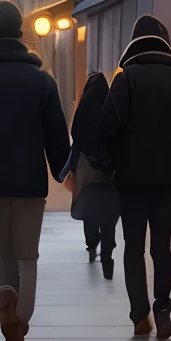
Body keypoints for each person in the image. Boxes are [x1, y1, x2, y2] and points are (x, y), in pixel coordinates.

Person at [0, 0, 71, 341]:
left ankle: (4, 306)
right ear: (21, 34)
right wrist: (63, 172)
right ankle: (19, 327)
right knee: (27, 256)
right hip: (29, 184)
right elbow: (56, 136)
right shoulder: (42, 81)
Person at [99, 15, 171, 340]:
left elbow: (106, 129)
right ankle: (163, 309)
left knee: (133, 247)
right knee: (162, 246)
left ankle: (139, 315)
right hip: (168, 180)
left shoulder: (125, 79)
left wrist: (115, 161)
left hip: (130, 181)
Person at [65, 71, 120, 277]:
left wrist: (72, 168)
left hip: (86, 166)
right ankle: (107, 253)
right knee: (108, 209)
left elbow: (76, 136)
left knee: (89, 205)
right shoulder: (111, 109)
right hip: (108, 168)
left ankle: (91, 241)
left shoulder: (84, 110)